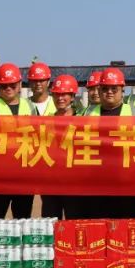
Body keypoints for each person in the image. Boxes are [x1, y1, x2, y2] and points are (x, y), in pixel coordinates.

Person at [85, 67, 135, 219]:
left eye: (114, 89)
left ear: (122, 90)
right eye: (105, 88)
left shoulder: (134, 112)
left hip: (126, 181)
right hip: (97, 181)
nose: (109, 92)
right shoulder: (89, 113)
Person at [0, 63, 36, 219]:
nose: (8, 88)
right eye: (4, 85)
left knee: (22, 219)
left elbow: (38, 135)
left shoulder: (30, 106)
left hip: (24, 174)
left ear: (20, 85)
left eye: (12, 85)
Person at [41, 74, 78, 219]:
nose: (60, 98)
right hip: (51, 182)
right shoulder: (45, 121)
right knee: (50, 222)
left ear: (73, 97)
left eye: (64, 94)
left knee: (73, 222)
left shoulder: (82, 120)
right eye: (57, 94)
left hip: (74, 182)